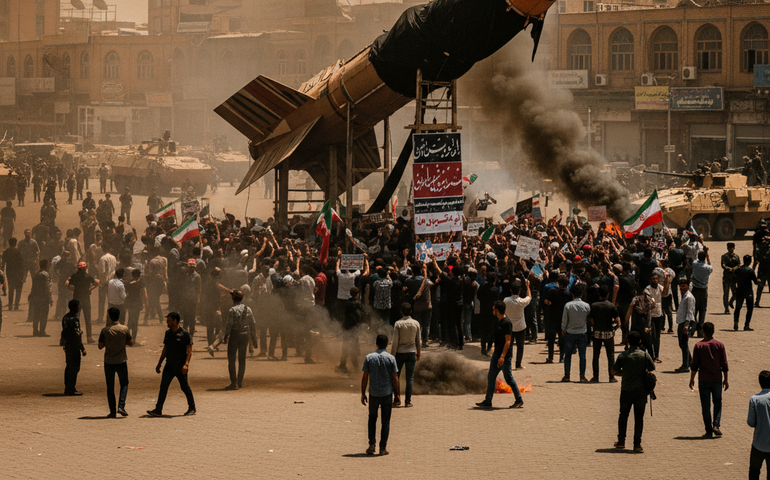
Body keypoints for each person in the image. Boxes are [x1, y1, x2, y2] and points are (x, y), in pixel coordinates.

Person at [476, 300, 525, 409]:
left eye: (493, 308)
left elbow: (508, 341)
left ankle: (519, 400)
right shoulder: (498, 321)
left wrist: (502, 357)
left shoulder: (506, 323)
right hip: (496, 355)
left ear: (497, 310)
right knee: (491, 377)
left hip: (504, 357)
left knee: (509, 379)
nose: (492, 310)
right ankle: (488, 401)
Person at [611, 331, 655, 453]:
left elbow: (614, 371)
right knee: (639, 418)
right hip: (641, 391)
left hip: (626, 390)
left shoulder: (623, 356)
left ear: (628, 342)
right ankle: (637, 444)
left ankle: (621, 441)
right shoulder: (645, 355)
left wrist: (624, 374)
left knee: (623, 416)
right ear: (640, 341)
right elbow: (652, 368)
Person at [147, 312, 196, 417]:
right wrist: (159, 363)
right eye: (167, 320)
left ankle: (192, 407)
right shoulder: (168, 333)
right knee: (163, 387)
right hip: (169, 365)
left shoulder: (185, 334)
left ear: (175, 321)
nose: (167, 323)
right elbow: (165, 349)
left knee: (184, 387)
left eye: (169, 320)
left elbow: (189, 350)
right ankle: (158, 409)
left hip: (180, 365)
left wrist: (186, 364)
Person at [361, 334, 399, 456]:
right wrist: (397, 394)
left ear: (376, 344)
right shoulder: (391, 358)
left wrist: (363, 393)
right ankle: (383, 448)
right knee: (385, 421)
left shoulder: (369, 358)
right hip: (387, 394)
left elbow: (365, 377)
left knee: (372, 418)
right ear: (387, 345)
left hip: (373, 394)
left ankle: (372, 444)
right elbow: (395, 378)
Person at [688, 322, 729, 438]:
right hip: (717, 379)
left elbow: (694, 365)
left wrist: (692, 379)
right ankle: (716, 424)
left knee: (705, 406)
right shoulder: (720, 345)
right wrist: (726, 380)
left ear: (703, 332)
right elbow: (724, 364)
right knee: (717, 402)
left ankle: (708, 430)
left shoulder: (699, 346)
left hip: (704, 380)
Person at [98, 307, 133, 418]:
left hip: (109, 361)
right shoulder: (124, 329)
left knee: (110, 387)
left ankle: (112, 411)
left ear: (109, 317)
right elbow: (131, 342)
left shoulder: (105, 330)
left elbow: (100, 346)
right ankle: (121, 406)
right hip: (121, 360)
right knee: (124, 383)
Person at [223, 289, 257, 390]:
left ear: (234, 298)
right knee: (242, 359)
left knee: (232, 359)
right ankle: (240, 382)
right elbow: (253, 323)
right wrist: (253, 335)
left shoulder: (232, 310)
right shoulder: (248, 309)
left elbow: (229, 325)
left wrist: (225, 336)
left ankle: (234, 383)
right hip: (245, 335)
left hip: (234, 335)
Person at [390, 302, 421, 407]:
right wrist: (419, 352)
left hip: (399, 353)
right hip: (411, 353)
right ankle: (408, 401)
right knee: (410, 378)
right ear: (411, 311)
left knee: (396, 376)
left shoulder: (398, 324)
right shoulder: (416, 323)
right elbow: (418, 340)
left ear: (401, 312)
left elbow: (395, 342)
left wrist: (392, 355)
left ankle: (397, 399)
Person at [589, 285, 621, 383]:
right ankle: (611, 377)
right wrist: (613, 329)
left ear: (599, 295)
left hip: (597, 333)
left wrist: (595, 327)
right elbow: (618, 322)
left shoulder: (593, 306)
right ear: (608, 295)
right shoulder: (612, 306)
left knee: (596, 355)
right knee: (610, 356)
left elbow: (591, 320)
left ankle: (595, 377)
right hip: (608, 333)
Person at [561, 284, 590, 383]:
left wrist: (563, 329)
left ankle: (567, 375)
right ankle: (582, 376)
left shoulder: (568, 305)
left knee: (568, 355)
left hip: (570, 332)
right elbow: (588, 319)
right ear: (581, 294)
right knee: (582, 356)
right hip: (582, 332)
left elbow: (565, 320)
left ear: (572, 294)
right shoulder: (586, 306)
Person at [65, 261, 99, 343]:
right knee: (88, 319)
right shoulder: (88, 276)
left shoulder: (74, 276)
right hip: (86, 299)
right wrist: (89, 289)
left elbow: (66, 284)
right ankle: (89, 338)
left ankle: (76, 336)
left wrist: (72, 289)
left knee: (76, 319)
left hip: (76, 299)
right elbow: (97, 283)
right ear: (85, 268)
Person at [61, 299, 87, 396]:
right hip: (74, 346)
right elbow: (76, 335)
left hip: (67, 345)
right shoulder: (74, 319)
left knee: (69, 367)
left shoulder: (65, 317)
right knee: (75, 368)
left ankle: (68, 387)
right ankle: (71, 388)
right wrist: (82, 348)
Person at [503, 278, 530, 370]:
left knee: (509, 346)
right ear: (519, 291)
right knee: (520, 346)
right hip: (520, 327)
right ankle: (518, 364)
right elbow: (529, 297)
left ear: (511, 290)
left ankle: (508, 363)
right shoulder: (521, 302)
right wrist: (528, 286)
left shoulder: (506, 300)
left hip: (509, 327)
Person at [748, 370, 770, 480]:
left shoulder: (754, 399)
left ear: (760, 383)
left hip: (759, 443)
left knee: (754, 472)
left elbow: (751, 422)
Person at [336, 287, 364, 374]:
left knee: (345, 346)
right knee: (354, 347)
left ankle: (342, 365)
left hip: (347, 327)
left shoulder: (347, 303)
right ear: (357, 295)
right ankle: (355, 367)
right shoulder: (358, 304)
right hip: (354, 328)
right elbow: (361, 315)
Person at [690, 249, 712, 337]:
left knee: (693, 310)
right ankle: (700, 331)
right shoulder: (708, 268)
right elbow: (710, 265)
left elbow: (695, 259)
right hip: (703, 291)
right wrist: (708, 255)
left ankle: (693, 327)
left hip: (695, 290)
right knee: (702, 311)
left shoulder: (695, 264)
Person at [734, 254, 760, 331]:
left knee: (738, 308)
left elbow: (734, 281)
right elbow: (755, 282)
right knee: (749, 308)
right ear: (749, 262)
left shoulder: (738, 270)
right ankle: (746, 325)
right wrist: (758, 281)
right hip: (748, 292)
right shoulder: (750, 270)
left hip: (739, 291)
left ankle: (736, 322)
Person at [675, 279, 696, 373]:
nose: (681, 288)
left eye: (683, 286)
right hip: (681, 322)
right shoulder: (683, 296)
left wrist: (686, 326)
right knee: (682, 344)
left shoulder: (689, 297)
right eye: (680, 286)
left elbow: (690, 312)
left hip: (686, 323)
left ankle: (685, 365)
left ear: (687, 286)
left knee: (684, 344)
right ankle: (690, 362)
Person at [28, 259, 53, 337]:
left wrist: (31, 295)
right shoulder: (46, 274)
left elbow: (33, 286)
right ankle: (42, 331)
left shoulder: (36, 273)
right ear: (46, 265)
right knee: (44, 315)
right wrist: (50, 298)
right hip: (44, 297)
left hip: (36, 297)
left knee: (36, 314)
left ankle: (35, 331)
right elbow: (47, 287)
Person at [2, 237, 24, 310]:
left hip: (9, 272)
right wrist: (23, 273)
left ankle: (10, 305)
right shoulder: (18, 251)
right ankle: (16, 304)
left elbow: (3, 263)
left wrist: (2, 272)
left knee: (11, 288)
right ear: (16, 243)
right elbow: (21, 263)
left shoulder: (6, 252)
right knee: (18, 288)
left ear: (9, 243)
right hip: (18, 272)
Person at [721, 243, 740, 314]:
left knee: (735, 293)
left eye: (732, 247)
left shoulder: (736, 256)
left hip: (734, 278)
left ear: (734, 248)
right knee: (726, 293)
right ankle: (726, 308)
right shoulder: (724, 256)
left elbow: (739, 264)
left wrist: (735, 268)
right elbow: (723, 265)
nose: (731, 249)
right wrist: (729, 269)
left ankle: (731, 302)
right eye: (729, 248)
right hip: (726, 277)